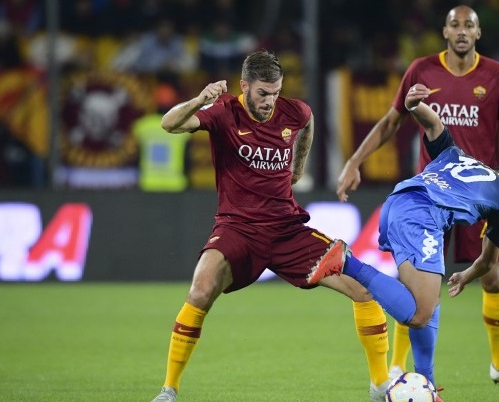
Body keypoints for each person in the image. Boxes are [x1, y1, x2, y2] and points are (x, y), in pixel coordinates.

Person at [149, 50, 391, 402]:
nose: (270, 101)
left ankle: (380, 385)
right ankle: (169, 390)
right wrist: (200, 100)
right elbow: (169, 124)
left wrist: (299, 166)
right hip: (237, 228)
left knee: (362, 288)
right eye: (263, 93)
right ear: (245, 86)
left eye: (276, 93)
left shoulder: (294, 112)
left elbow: (308, 122)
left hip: (287, 229)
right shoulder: (223, 112)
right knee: (200, 292)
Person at [336, 5, 499, 387]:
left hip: (476, 201)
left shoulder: (498, 76)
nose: (461, 31)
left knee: (493, 279)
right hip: (432, 198)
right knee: (419, 289)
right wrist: (354, 161)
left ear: (478, 33)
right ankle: (400, 367)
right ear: (445, 31)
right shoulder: (422, 70)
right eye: (455, 24)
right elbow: (392, 121)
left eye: (469, 25)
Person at [310, 82, 499, 397]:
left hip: (398, 202)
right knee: (420, 313)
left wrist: (413, 106)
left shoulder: (458, 156)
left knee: (428, 301)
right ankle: (347, 262)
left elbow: (434, 124)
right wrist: (467, 275)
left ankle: (428, 386)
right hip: (422, 215)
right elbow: (488, 261)